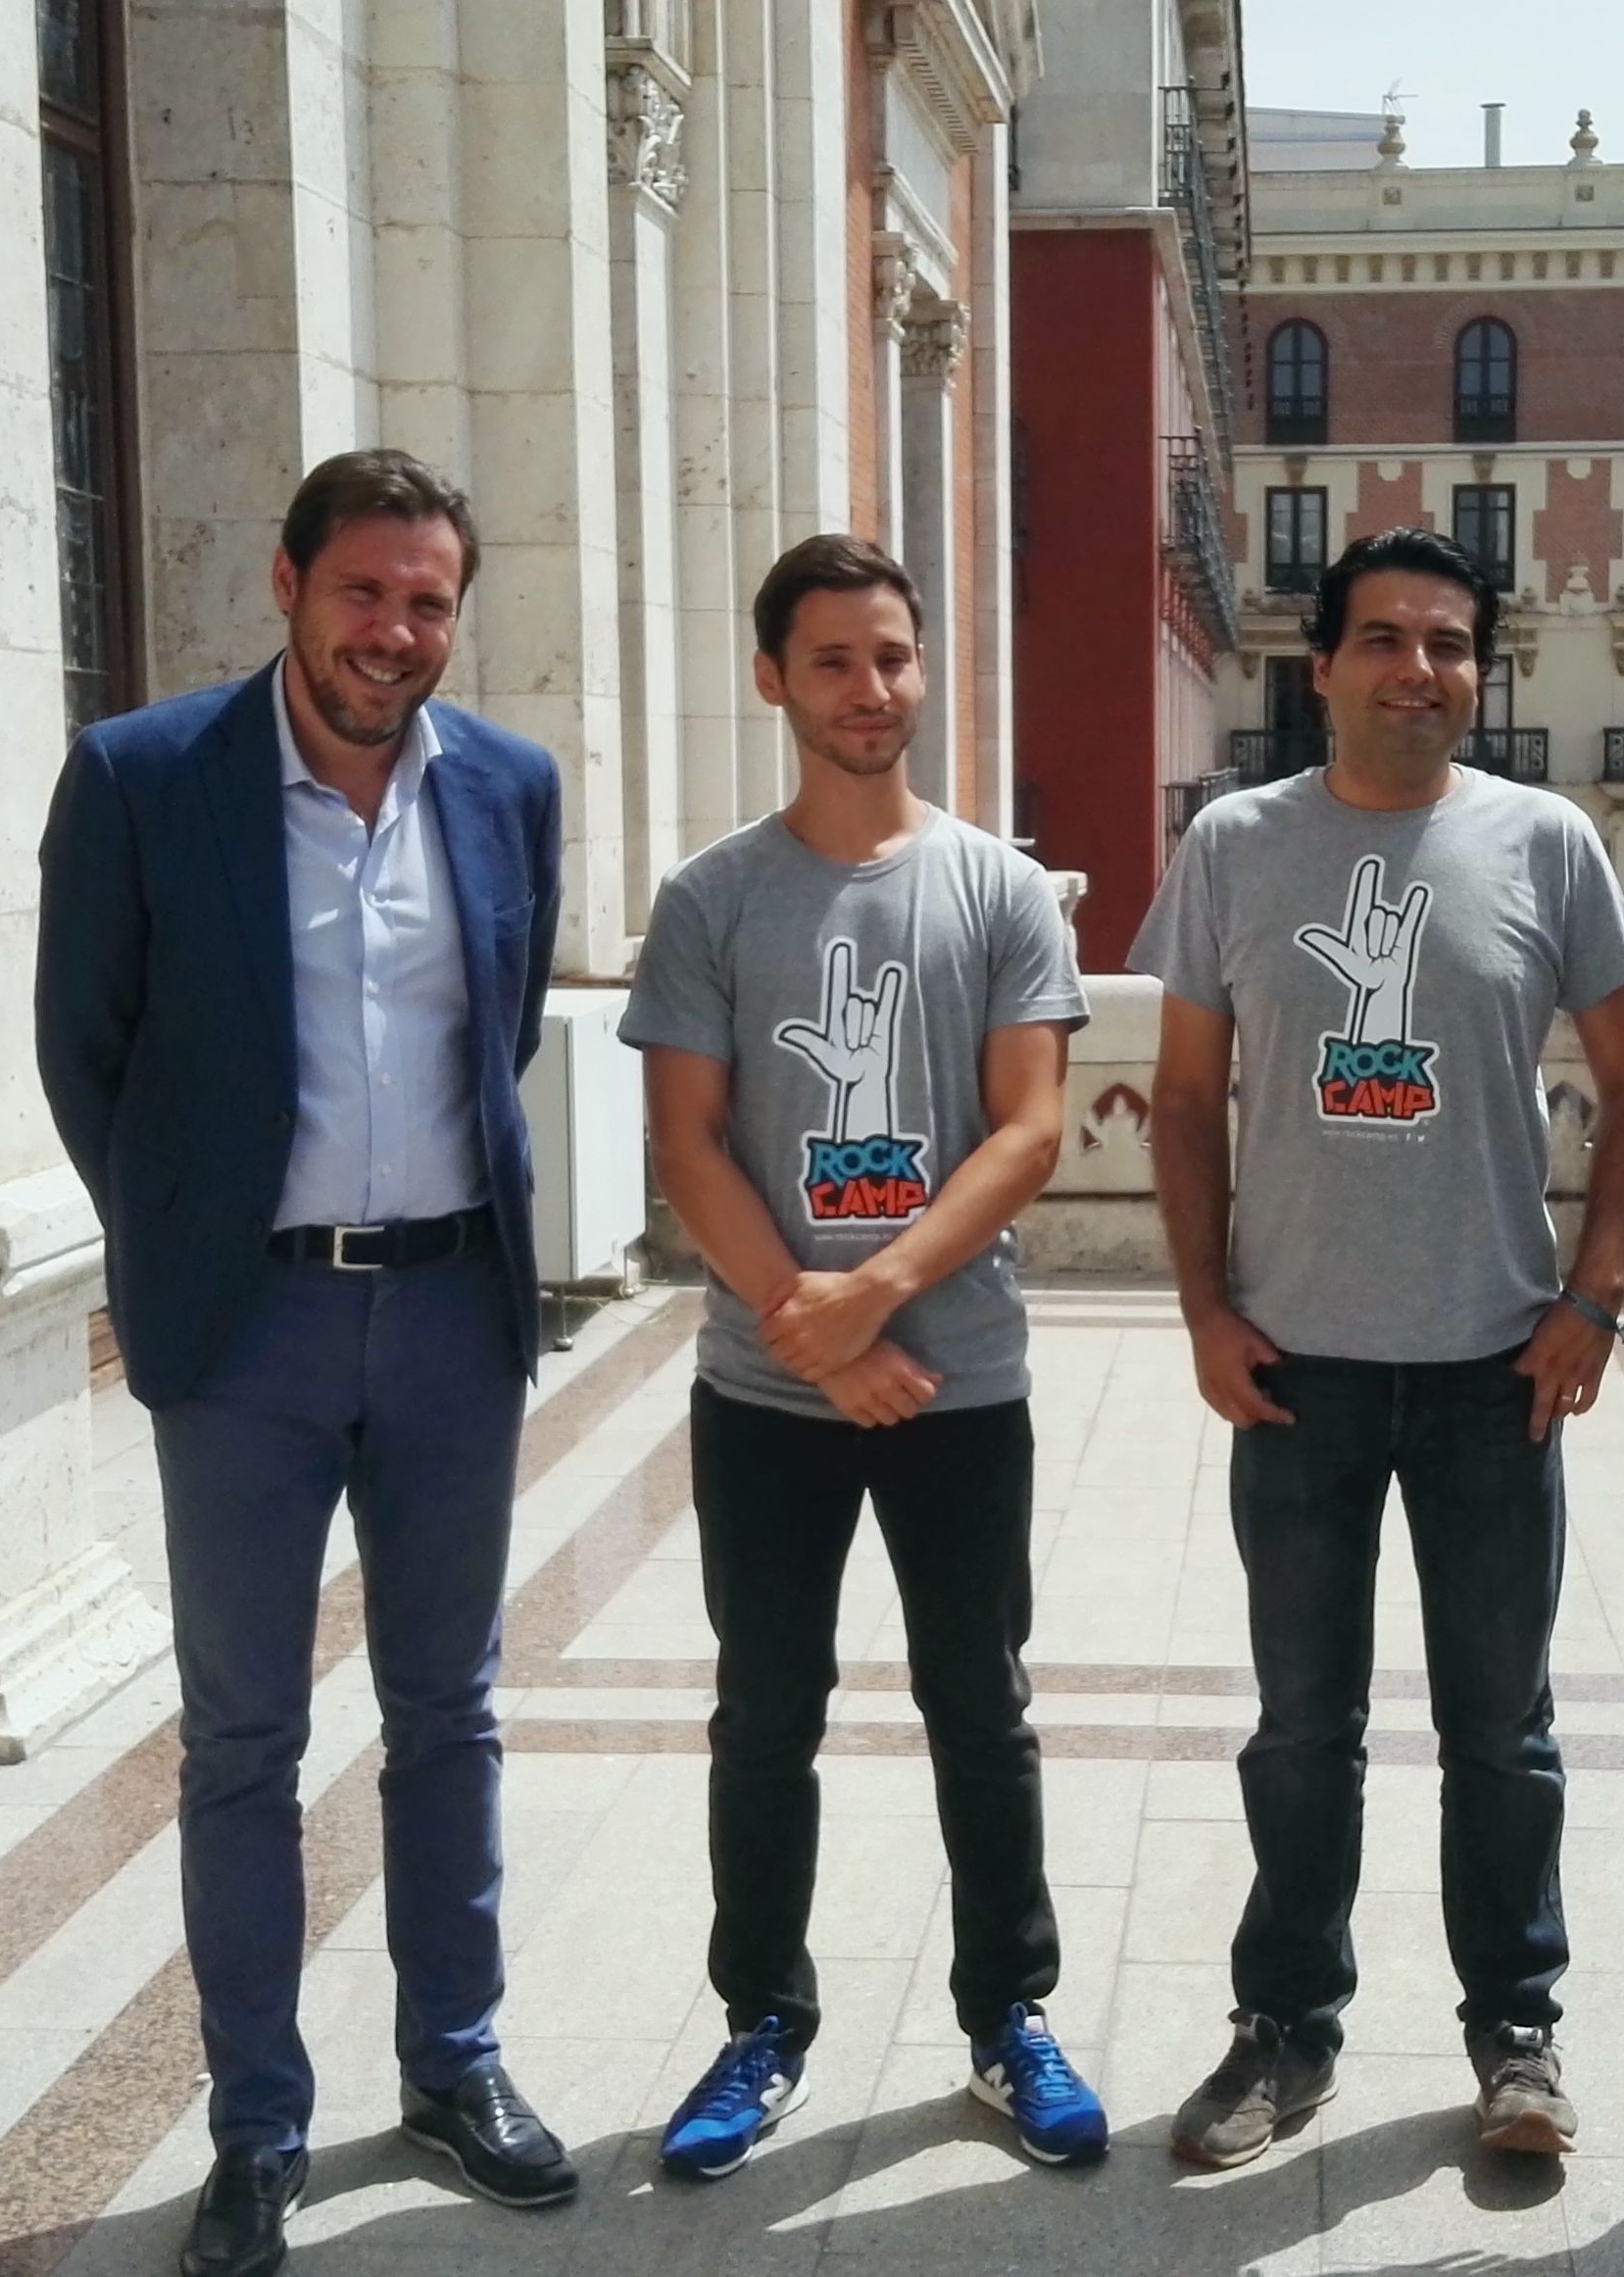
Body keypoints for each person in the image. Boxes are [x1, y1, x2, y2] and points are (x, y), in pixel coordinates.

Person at [35, 450, 575, 2277]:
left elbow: (500, 1028)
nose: (394, 633)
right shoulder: (142, 777)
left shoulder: (506, 787)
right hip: (244, 1331)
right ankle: (255, 2126)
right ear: (286, 586)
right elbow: (85, 1048)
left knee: (448, 1713)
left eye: (428, 601)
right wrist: (181, 1245)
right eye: (364, 591)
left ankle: (454, 2067)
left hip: (447, 1315)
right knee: (245, 1739)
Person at [1132, 526, 1624, 2165]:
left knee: (1500, 1732)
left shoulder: (1545, 844)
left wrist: (1591, 1300)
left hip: (1491, 1368)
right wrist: (1204, 1308)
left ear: (1475, 672)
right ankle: (1285, 2029)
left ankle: (1516, 2033)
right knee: (1302, 1730)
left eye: (1446, 643)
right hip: (1293, 1370)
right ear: (1321, 668)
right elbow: (1179, 1100)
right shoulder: (1236, 845)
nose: (1415, 669)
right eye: (1382, 638)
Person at [621, 533, 1106, 2178]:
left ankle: (1008, 2018)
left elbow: (1026, 1131)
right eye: (830, 659)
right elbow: (687, 1145)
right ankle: (761, 2023)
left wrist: (874, 1296)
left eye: (890, 655)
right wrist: (814, 1337)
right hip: (765, 1392)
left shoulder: (996, 889)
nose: (868, 688)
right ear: (773, 677)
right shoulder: (712, 898)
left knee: (982, 1707)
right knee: (766, 1714)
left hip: (957, 1379)